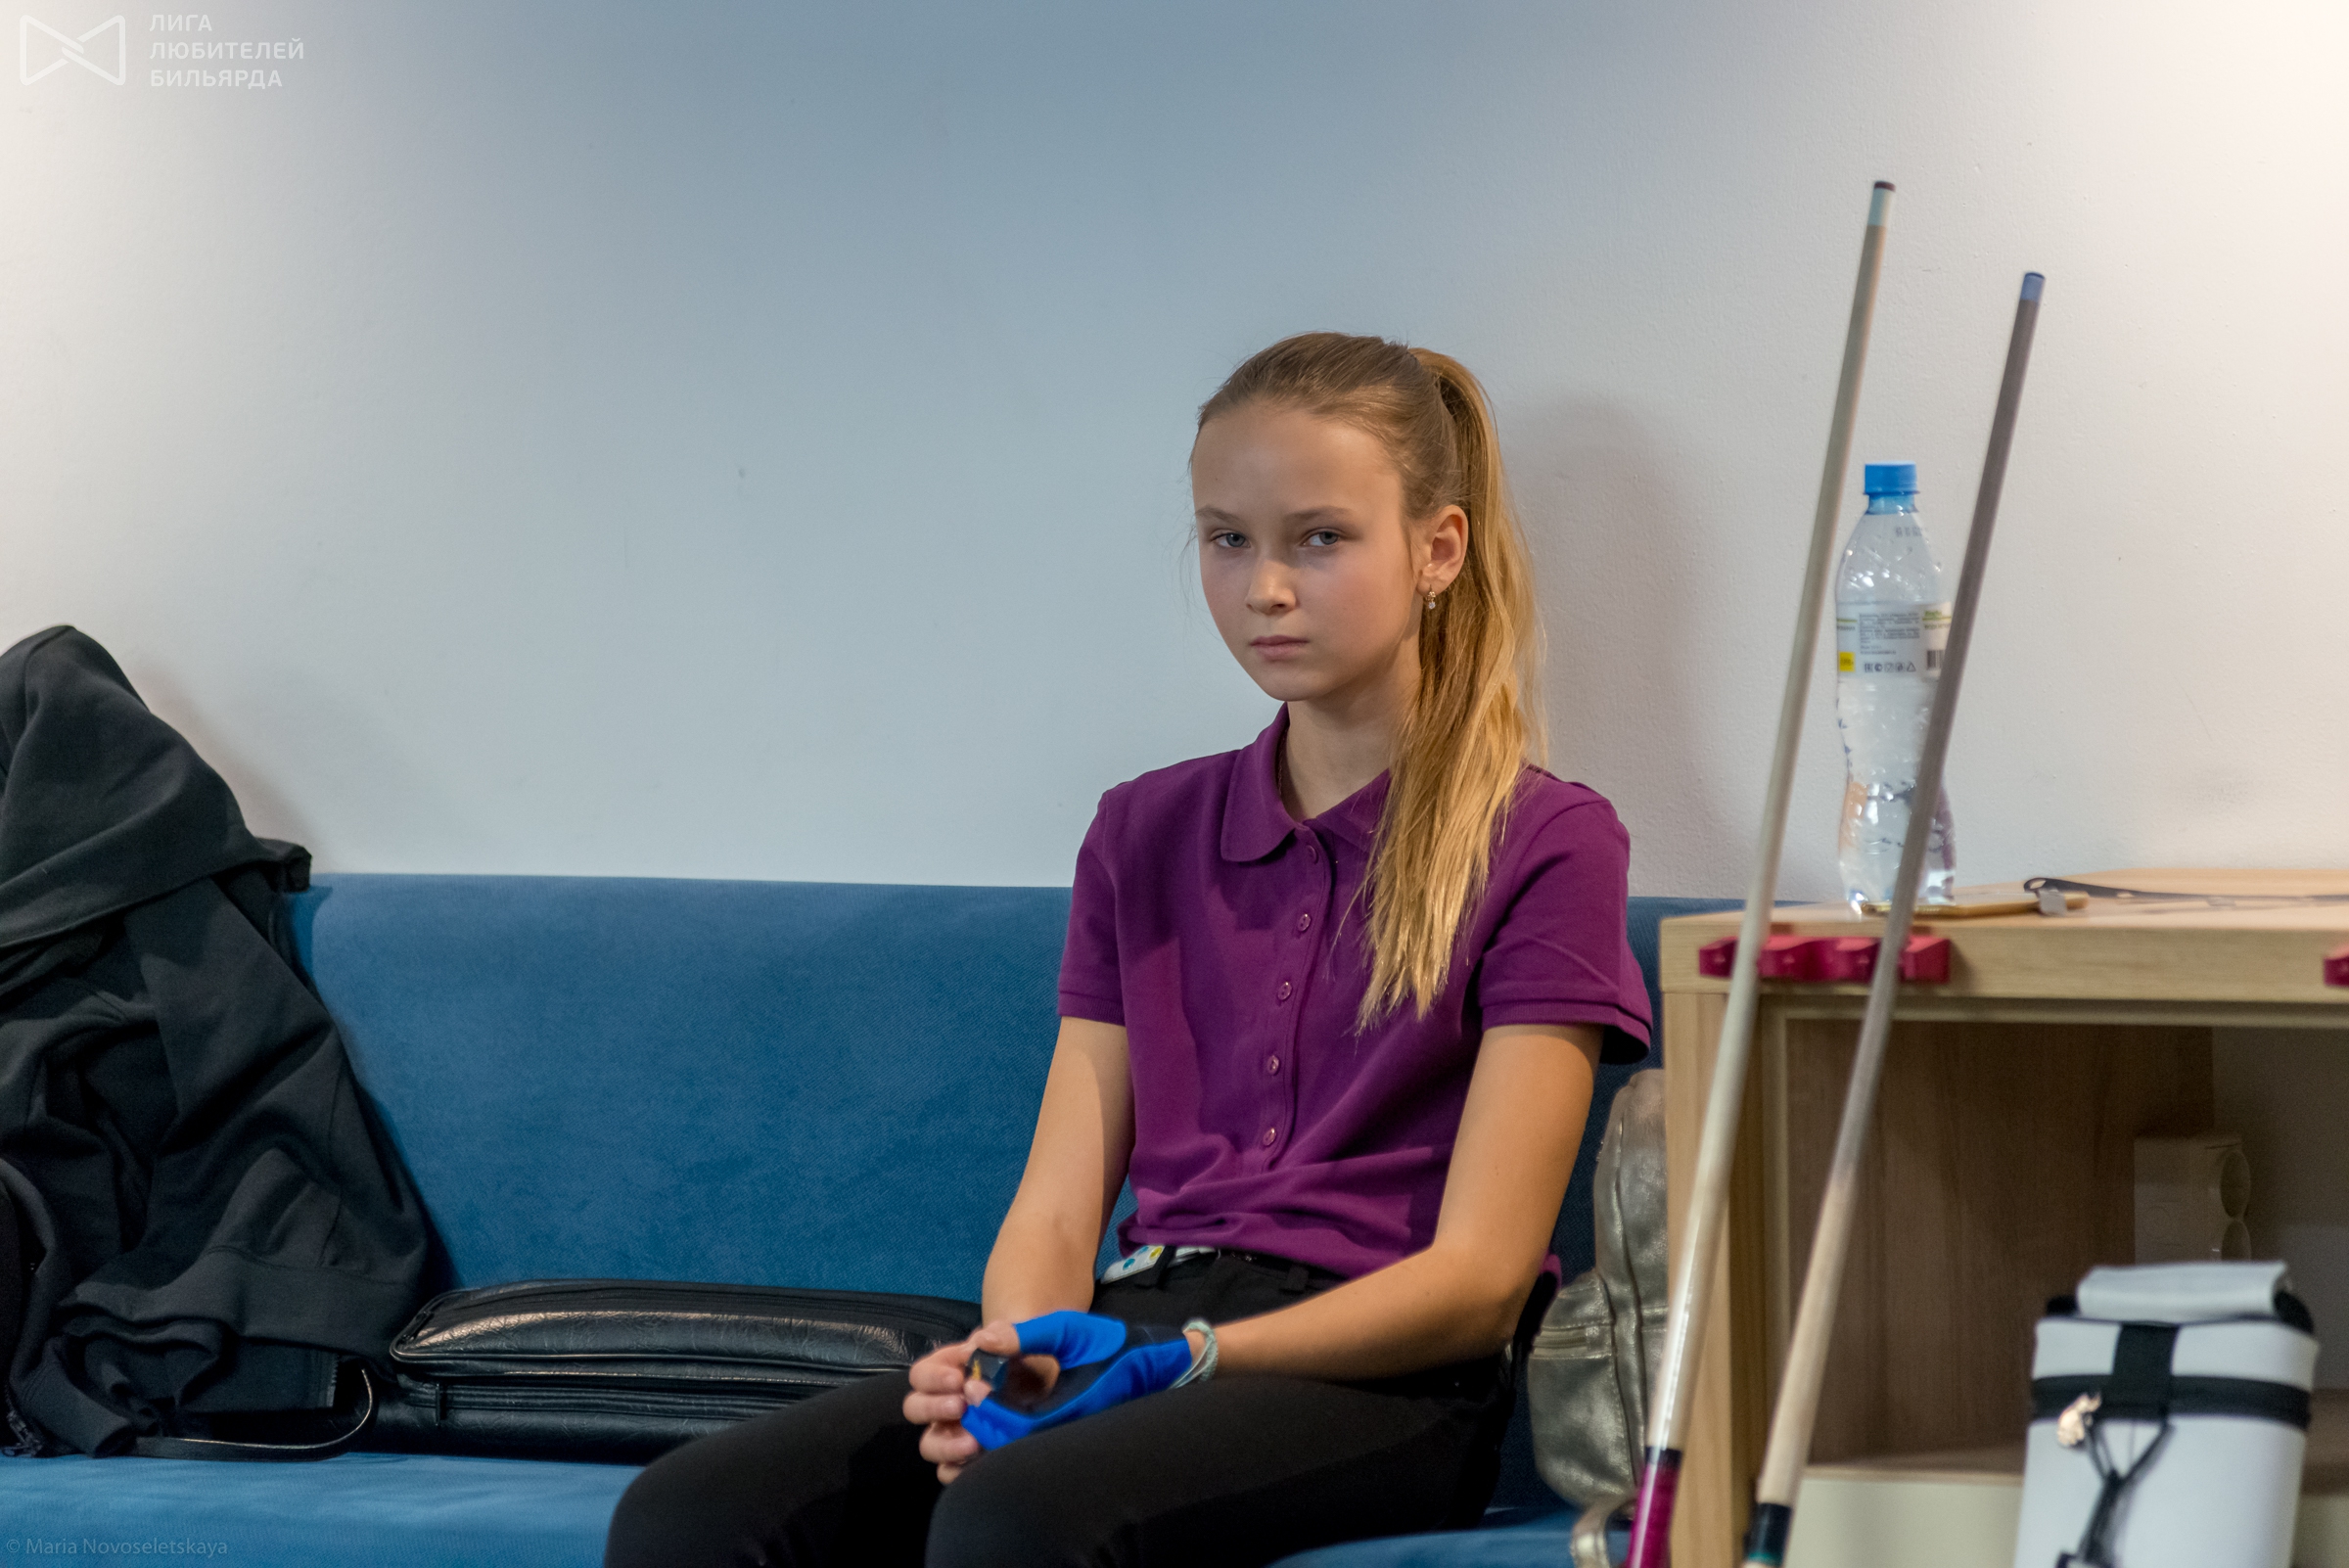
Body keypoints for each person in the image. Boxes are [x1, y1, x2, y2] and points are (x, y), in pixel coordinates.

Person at [603, 332, 1651, 1568]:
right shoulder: (1143, 831)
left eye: (1320, 538)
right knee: (690, 1513)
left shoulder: (1548, 840)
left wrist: (1185, 1361)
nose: (1266, 588)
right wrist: (1018, 1361)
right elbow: (1058, 1205)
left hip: (1386, 1376)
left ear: (1439, 550)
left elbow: (1479, 1281)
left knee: (1016, 1520)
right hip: (1140, 1324)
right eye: (1228, 539)